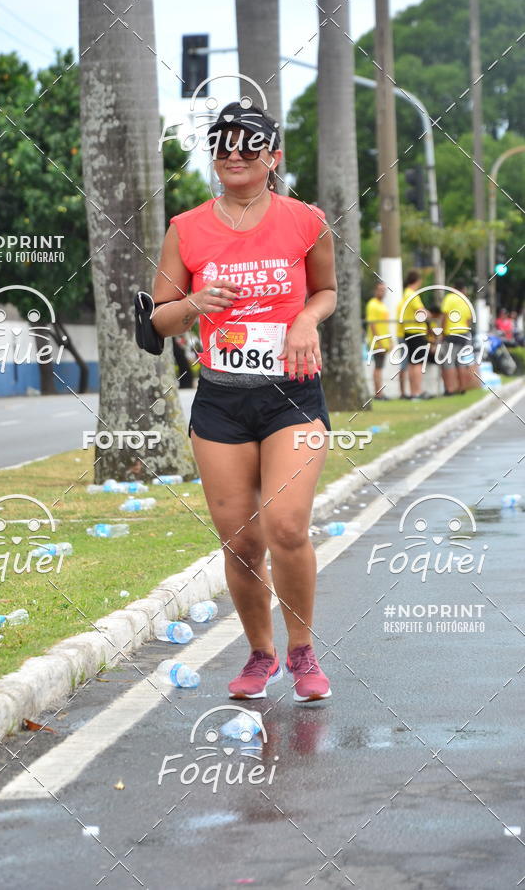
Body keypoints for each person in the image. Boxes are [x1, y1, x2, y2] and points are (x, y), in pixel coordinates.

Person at [151, 101, 336, 703]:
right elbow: (157, 319)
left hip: (293, 397)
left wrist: (306, 320)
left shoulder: (307, 221)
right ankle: (260, 657)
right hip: (221, 404)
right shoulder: (186, 227)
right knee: (241, 541)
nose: (234, 153)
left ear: (272, 157)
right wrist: (195, 304)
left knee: (285, 526)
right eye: (223, 143)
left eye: (249, 144)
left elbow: (327, 290)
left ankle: (302, 650)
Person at [397, 269, 431, 399]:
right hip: (416, 331)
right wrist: (428, 314)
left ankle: (413, 392)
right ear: (418, 281)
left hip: (409, 331)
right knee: (418, 363)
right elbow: (421, 312)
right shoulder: (412, 294)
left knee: (412, 363)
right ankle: (417, 391)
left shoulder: (405, 294)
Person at [440, 279, 473, 395]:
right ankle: (462, 387)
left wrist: (442, 332)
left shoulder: (449, 298)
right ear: (463, 289)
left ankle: (450, 389)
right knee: (461, 362)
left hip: (451, 333)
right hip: (463, 333)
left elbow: (444, 316)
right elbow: (468, 320)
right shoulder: (466, 300)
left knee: (449, 361)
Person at [365, 282, 391, 399]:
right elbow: (372, 325)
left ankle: (380, 392)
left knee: (380, 367)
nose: (382, 292)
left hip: (384, 341)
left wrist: (390, 341)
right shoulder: (372, 304)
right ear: (375, 290)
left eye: (384, 290)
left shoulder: (383, 305)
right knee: (378, 367)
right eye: (380, 289)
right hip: (377, 342)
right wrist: (378, 341)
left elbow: (385, 326)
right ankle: (378, 393)